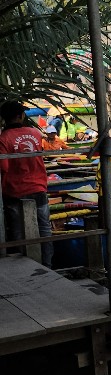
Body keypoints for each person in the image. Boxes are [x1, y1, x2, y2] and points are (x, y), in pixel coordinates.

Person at [0, 101, 52, 264]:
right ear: (20, 116)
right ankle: (47, 265)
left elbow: (4, 167)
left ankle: (27, 266)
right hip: (38, 188)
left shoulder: (3, 138)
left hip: (13, 191)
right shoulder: (35, 133)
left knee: (18, 233)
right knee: (44, 230)